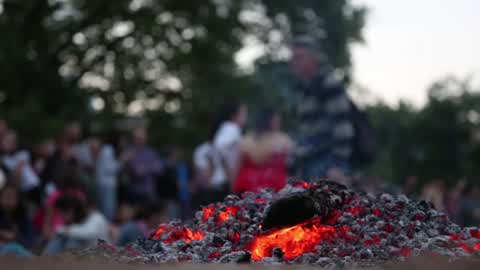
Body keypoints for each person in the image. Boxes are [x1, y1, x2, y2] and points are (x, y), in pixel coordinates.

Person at [290, 36, 354, 181]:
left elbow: (343, 126)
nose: (294, 62)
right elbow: (306, 130)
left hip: (328, 163)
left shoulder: (328, 83)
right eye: (293, 57)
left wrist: (337, 165)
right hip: (310, 163)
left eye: (299, 57)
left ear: (314, 59)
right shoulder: (304, 88)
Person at [233, 109, 294, 194]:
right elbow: (290, 164)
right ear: (272, 121)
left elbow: (237, 166)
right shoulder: (283, 140)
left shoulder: (246, 139)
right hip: (274, 187)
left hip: (248, 186)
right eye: (277, 120)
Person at [43, 194, 109, 255]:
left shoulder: (96, 217)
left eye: (62, 213)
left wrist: (64, 230)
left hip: (100, 255)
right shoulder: (75, 221)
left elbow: (88, 233)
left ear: (70, 211)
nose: (61, 216)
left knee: (72, 240)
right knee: (60, 238)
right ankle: (45, 258)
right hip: (87, 254)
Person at [212, 101, 248, 198]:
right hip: (226, 182)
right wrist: (230, 173)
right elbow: (220, 147)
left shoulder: (227, 128)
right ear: (234, 115)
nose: (246, 117)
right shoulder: (232, 128)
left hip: (222, 181)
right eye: (243, 113)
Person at [123, 127, 163, 204]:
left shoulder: (151, 152)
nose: (140, 140)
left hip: (150, 192)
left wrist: (145, 167)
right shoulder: (129, 152)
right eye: (138, 138)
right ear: (134, 139)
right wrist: (151, 166)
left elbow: (160, 169)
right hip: (134, 193)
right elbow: (137, 172)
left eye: (142, 138)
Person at [0, 184, 35, 256]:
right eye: (6, 196)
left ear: (18, 199)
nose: (8, 200)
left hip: (16, 253)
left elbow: (30, 241)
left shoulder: (22, 217)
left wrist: (15, 237)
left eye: (11, 197)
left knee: (13, 248)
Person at [95, 135, 122, 221]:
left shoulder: (106, 149)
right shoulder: (108, 150)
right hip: (107, 184)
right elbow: (110, 168)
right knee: (108, 211)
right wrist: (123, 161)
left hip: (105, 184)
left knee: (106, 209)